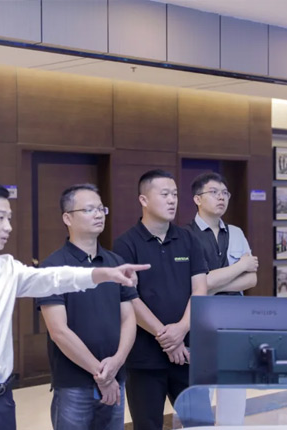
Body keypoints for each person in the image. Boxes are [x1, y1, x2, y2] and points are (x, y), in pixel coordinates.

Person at [0, 181, 149, 430]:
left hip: (2, 398)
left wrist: (104, 274)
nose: (8, 227)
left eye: (9, 218)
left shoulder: (7, 268)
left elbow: (54, 279)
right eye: (0, 218)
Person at [112, 170, 210, 430]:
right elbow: (130, 299)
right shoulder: (125, 245)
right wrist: (166, 338)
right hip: (144, 359)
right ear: (143, 200)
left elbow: (200, 288)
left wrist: (181, 329)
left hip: (188, 355)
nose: (172, 200)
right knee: (147, 425)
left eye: (175, 194)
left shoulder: (188, 239)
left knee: (201, 423)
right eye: (164, 194)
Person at [37, 184, 137, 430]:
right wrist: (101, 375)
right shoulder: (52, 267)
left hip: (116, 376)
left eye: (101, 209)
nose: (98, 214)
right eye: (89, 209)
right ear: (67, 218)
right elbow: (59, 331)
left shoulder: (115, 263)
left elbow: (128, 319)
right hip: (73, 384)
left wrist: (117, 362)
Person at [186, 172, 258, 296]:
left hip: (235, 305)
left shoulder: (236, 232)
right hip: (203, 306)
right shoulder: (186, 235)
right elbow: (196, 282)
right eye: (214, 192)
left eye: (225, 193)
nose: (221, 197)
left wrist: (214, 288)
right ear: (198, 199)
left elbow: (251, 279)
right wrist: (241, 266)